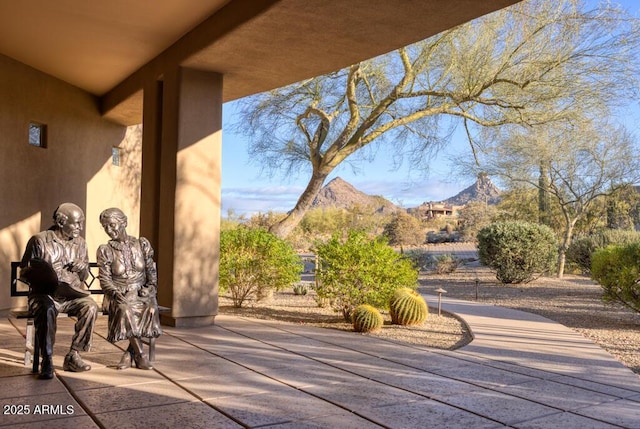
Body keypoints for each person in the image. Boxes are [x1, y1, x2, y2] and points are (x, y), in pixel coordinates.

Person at [20, 203, 98, 379]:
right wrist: (41, 274)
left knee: (91, 307)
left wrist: (82, 267)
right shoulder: (39, 240)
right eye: (77, 223)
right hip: (44, 295)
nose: (80, 227)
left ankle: (74, 354)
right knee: (47, 309)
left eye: (82, 223)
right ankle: (46, 359)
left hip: (71, 296)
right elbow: (24, 272)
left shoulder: (81, 244)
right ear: (61, 222)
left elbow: (85, 276)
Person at [96, 208, 162, 370]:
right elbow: (104, 279)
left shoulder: (142, 244)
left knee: (150, 306)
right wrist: (115, 293)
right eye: (105, 227)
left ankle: (129, 353)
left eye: (112, 225)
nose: (109, 230)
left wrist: (151, 287)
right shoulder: (105, 250)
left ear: (124, 223)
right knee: (125, 309)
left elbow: (150, 271)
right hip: (118, 294)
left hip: (141, 292)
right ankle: (140, 354)